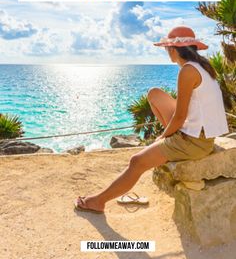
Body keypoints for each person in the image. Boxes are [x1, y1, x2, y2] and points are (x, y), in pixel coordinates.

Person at [74, 26, 229, 213]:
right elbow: (186, 111)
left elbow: (180, 116)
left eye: (167, 49)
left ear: (173, 49)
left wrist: (162, 137)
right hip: (200, 134)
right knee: (154, 94)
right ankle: (169, 144)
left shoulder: (187, 71)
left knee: (136, 162)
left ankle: (97, 201)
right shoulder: (201, 67)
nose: (167, 52)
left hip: (194, 142)